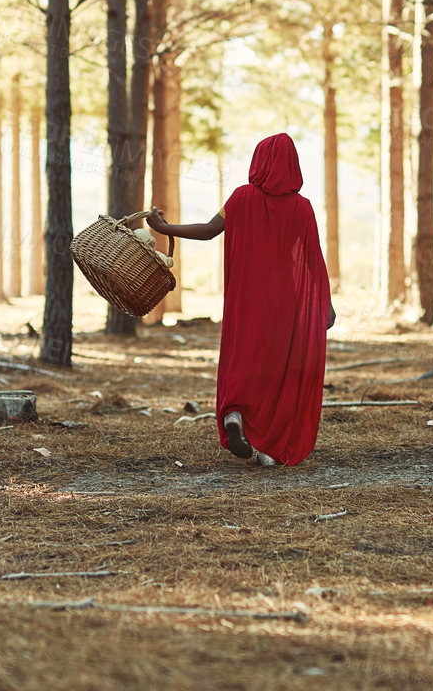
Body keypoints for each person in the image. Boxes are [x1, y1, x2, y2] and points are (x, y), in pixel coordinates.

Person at [143, 132, 334, 467]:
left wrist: (165, 227)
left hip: (247, 299)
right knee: (279, 369)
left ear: (260, 161)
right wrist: (325, 304)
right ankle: (269, 446)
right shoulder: (302, 208)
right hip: (286, 305)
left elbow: (207, 229)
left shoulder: (241, 198)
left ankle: (234, 413)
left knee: (244, 357)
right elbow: (312, 261)